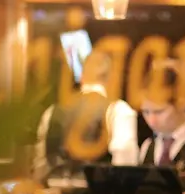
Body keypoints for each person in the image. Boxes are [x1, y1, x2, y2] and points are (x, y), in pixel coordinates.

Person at [32, 50, 139, 185]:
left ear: (82, 76)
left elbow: (40, 165)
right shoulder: (119, 110)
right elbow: (125, 167)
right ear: (111, 78)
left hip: (55, 192)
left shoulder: (52, 112)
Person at [139, 61, 185, 194]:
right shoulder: (147, 146)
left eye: (159, 112)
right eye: (146, 112)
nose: (151, 121)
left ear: (181, 104)